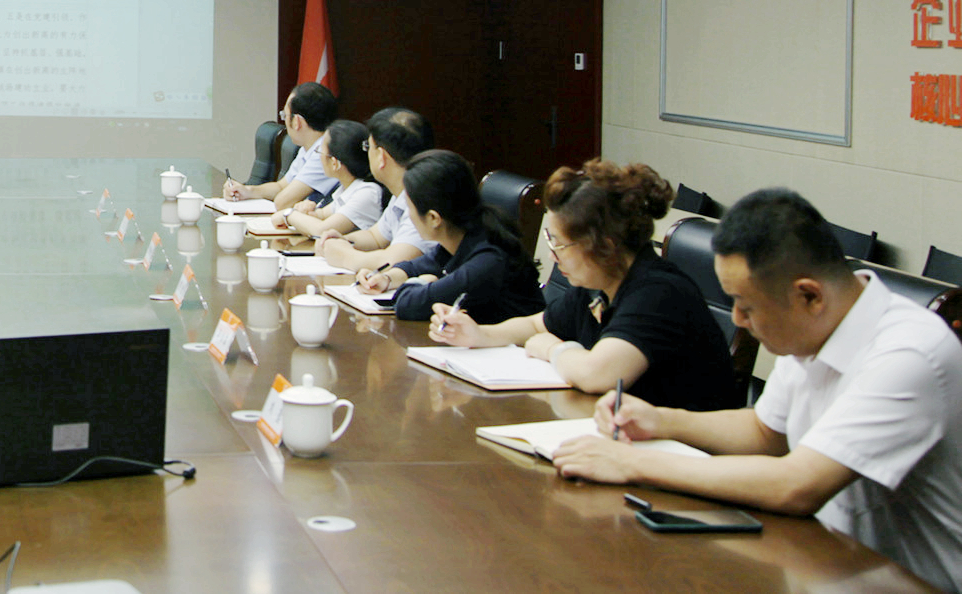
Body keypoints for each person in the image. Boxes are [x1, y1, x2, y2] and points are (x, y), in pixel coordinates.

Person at [552, 188, 962, 593]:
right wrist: (663, 421)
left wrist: (630, 463)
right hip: (825, 561)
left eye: (746, 306)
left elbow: (797, 485)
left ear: (809, 295)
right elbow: (765, 433)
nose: (737, 319)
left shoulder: (909, 353)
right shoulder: (814, 327)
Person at [430, 159, 743, 410]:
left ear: (604, 246)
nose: (553, 256)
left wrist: (554, 349)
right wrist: (480, 334)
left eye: (560, 245)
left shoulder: (659, 292)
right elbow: (537, 325)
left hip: (687, 451)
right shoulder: (598, 282)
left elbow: (597, 374)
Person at [352, 149, 543, 324]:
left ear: (434, 218)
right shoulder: (463, 235)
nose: (408, 215)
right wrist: (386, 278)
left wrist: (422, 281)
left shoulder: (488, 259)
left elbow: (409, 304)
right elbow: (416, 266)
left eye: (410, 208)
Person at [317, 106, 439, 271]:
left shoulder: (423, 199)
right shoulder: (401, 193)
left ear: (381, 157)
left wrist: (344, 255)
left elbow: (392, 262)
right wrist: (343, 241)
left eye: (368, 146)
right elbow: (375, 237)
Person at [221, 82, 340, 209]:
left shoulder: (325, 153)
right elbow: (281, 186)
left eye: (285, 116)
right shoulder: (308, 148)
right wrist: (247, 191)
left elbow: (283, 202)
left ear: (297, 122)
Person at [272, 119, 384, 238]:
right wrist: (305, 210)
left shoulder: (367, 192)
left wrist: (289, 214)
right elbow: (321, 215)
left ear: (335, 163)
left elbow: (321, 230)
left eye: (320, 151)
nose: (319, 157)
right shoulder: (345, 189)